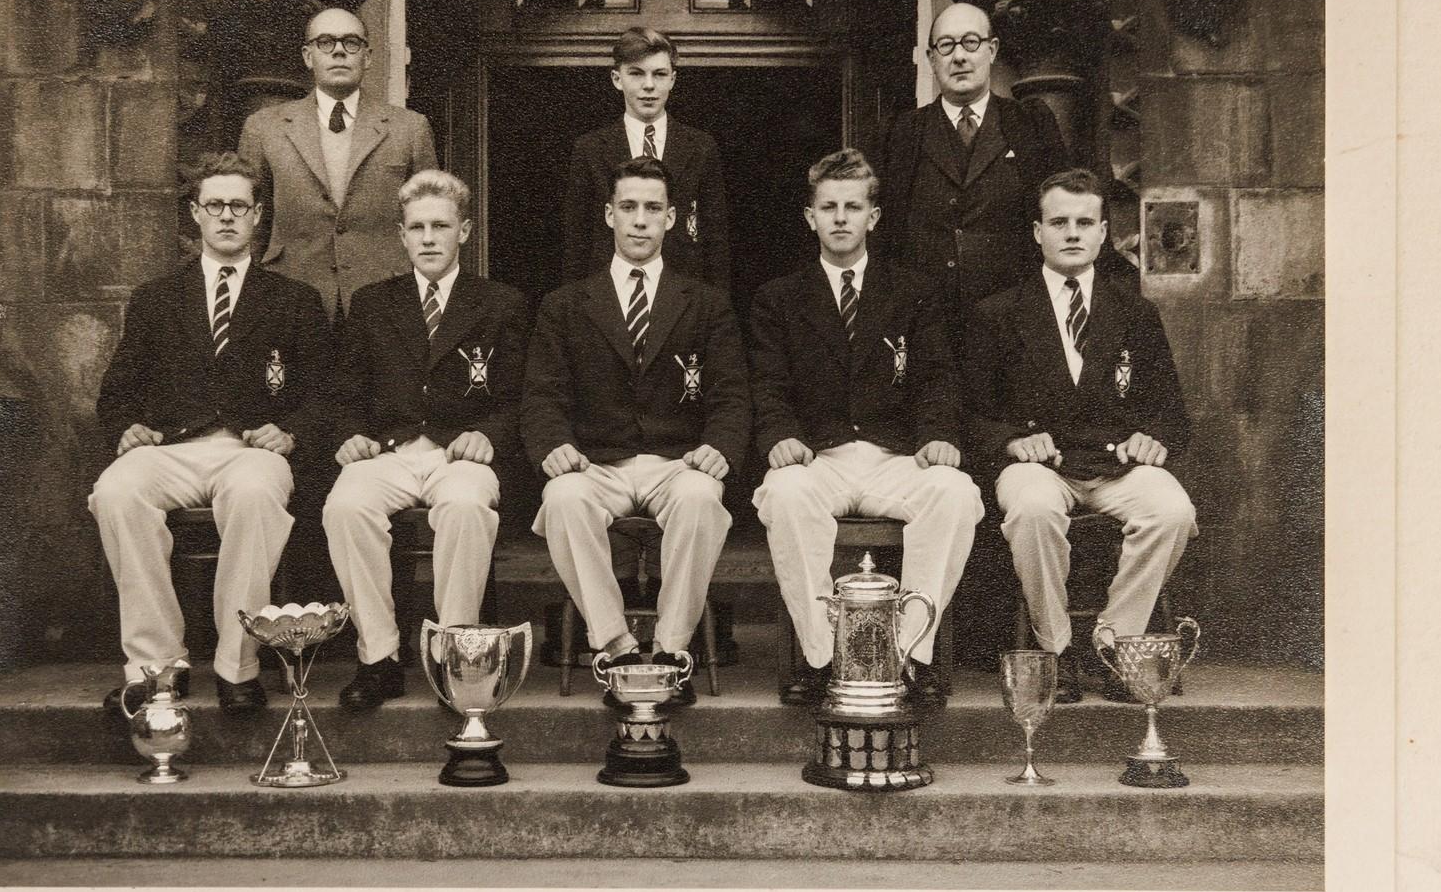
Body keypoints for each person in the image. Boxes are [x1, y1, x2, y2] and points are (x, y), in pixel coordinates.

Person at [89, 153, 331, 714]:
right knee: (116, 491)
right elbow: (117, 390)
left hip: (250, 450)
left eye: (238, 206)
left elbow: (326, 393)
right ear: (195, 213)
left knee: (256, 494)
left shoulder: (294, 299)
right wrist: (127, 427)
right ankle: (157, 668)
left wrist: (291, 432)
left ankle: (237, 666)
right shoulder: (156, 298)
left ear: (258, 216)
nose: (226, 216)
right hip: (172, 447)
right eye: (214, 205)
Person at [748, 150, 983, 708]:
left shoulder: (913, 291)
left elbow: (938, 376)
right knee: (783, 494)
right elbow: (767, 383)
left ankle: (908, 655)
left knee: (954, 492)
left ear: (873, 217)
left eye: (852, 207)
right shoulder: (779, 297)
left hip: (894, 457)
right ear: (810, 217)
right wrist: (780, 434)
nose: (840, 218)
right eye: (828, 207)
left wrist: (937, 434)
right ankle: (821, 656)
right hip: (818, 458)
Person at [522, 157, 750, 706]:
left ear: (671, 218)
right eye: (628, 207)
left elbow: (731, 394)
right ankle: (618, 650)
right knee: (563, 498)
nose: (640, 220)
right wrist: (554, 445)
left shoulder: (706, 303)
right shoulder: (565, 304)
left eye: (653, 208)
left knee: (702, 498)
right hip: (598, 463)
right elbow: (542, 396)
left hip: (677, 462)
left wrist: (719, 446)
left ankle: (671, 653)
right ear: (609, 215)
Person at [965, 169, 1196, 701]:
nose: (1072, 233)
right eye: (1059, 222)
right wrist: (1010, 441)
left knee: (1173, 511)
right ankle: (1056, 648)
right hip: (1039, 466)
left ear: (1103, 232)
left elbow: (1172, 412)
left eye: (1085, 223)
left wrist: (1153, 437)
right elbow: (972, 413)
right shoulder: (998, 313)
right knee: (1032, 510)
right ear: (1037, 232)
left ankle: (1115, 644)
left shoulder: (1135, 312)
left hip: (1117, 466)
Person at [321, 171, 529, 711]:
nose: (429, 238)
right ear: (402, 235)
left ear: (465, 231)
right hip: (389, 450)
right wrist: (349, 435)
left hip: (459, 452)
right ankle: (379, 657)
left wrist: (489, 434)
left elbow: (522, 396)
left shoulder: (500, 303)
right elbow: (343, 391)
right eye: (417, 228)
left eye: (441, 226)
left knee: (466, 506)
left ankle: (456, 654)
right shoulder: (373, 303)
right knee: (344, 507)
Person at [876, 1, 1082, 343]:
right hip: (926, 330)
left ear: (992, 50)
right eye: (946, 45)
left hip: (1014, 327)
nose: (959, 56)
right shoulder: (901, 132)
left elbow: (1065, 215)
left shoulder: (1030, 124)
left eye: (971, 42)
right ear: (931, 59)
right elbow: (882, 234)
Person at [236, 6, 438, 320]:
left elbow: (431, 222)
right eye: (325, 42)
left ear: (367, 57)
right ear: (308, 56)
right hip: (290, 294)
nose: (339, 51)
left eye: (351, 42)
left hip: (386, 298)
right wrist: (250, 296)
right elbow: (251, 224)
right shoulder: (264, 128)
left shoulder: (410, 129)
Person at [561, 26, 731, 291]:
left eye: (659, 74)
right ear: (617, 79)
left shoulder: (701, 147)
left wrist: (717, 305)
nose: (649, 85)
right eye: (637, 73)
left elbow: (716, 239)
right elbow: (577, 240)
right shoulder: (590, 148)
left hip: (683, 291)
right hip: (610, 291)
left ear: (672, 79)